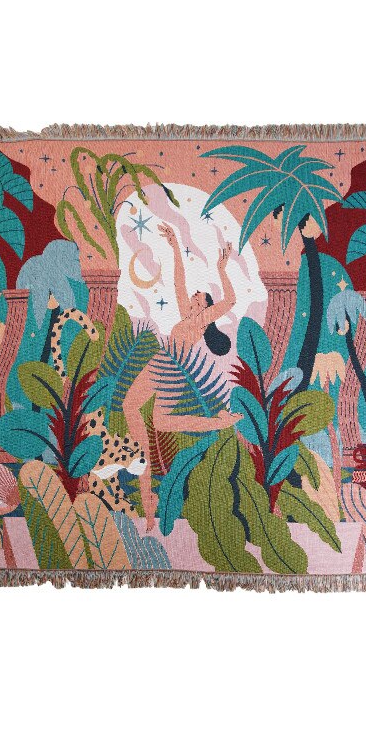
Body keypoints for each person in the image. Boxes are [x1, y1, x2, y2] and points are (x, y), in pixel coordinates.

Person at [123, 222, 242, 529]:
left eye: (198, 295)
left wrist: (222, 268)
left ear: (204, 305)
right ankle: (147, 491)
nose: (192, 293)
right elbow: (179, 281)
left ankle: (216, 423)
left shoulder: (202, 320)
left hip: (173, 371)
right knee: (130, 407)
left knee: (161, 422)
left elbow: (230, 301)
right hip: (161, 363)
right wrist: (175, 245)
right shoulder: (187, 316)